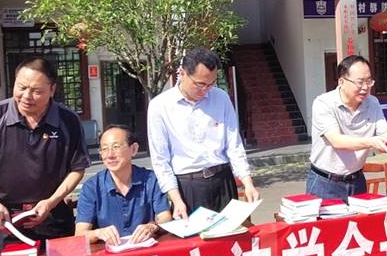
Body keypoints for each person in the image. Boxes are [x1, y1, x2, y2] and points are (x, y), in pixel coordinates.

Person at [0, 56, 89, 256]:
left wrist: (51, 202)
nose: (27, 96)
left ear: (52, 90)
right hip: (3, 220)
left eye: (37, 91)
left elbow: (77, 168)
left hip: (52, 217)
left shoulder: (68, 120)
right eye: (21, 87)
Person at [148, 47, 259, 216]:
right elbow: (160, 159)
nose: (205, 90)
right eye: (200, 84)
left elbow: (234, 145)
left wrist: (248, 183)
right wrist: (176, 200)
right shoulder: (160, 106)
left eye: (211, 84)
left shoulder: (221, 98)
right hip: (188, 186)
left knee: (232, 231)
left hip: (223, 180)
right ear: (182, 73)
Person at [308, 55, 387, 201]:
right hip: (325, 182)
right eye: (360, 82)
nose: (365, 87)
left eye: (369, 81)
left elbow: (386, 134)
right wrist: (372, 142)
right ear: (342, 81)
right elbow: (337, 141)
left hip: (357, 181)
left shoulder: (372, 103)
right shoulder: (323, 103)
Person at [75, 125, 172, 245]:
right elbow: (80, 234)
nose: (110, 155)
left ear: (134, 149)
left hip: (146, 249)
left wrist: (152, 227)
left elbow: (165, 218)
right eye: (104, 149)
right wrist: (98, 233)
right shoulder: (91, 187)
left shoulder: (151, 180)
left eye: (116, 147)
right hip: (108, 252)